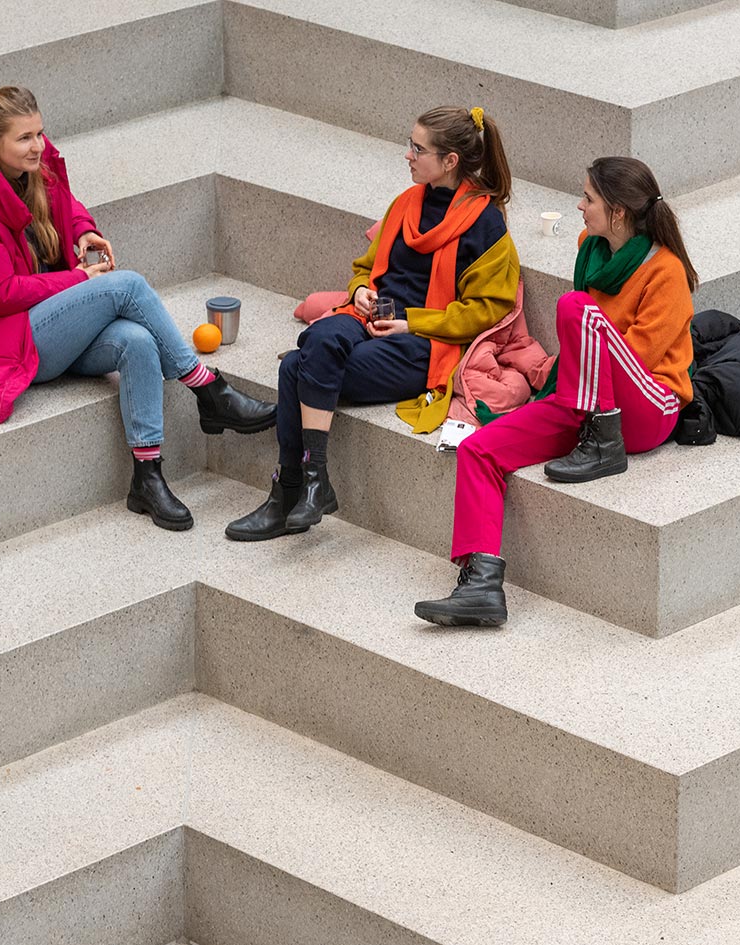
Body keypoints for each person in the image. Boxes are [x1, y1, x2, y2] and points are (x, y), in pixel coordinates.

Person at [0, 86, 275, 531]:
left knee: (136, 342)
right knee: (127, 286)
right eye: (24, 138)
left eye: (40, 133)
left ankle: (147, 478)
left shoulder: (32, 169)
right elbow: (0, 293)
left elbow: (64, 203)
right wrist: (79, 278)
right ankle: (208, 389)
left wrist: (81, 233)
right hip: (7, 343)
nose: (38, 145)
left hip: (50, 327)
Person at [415, 157, 699, 626]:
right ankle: (481, 585)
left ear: (619, 212)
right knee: (480, 450)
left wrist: (578, 368)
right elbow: (586, 350)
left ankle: (603, 443)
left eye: (589, 198)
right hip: (584, 399)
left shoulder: (665, 272)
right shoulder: (591, 247)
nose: (580, 206)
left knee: (575, 308)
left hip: (647, 407)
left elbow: (640, 358)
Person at [226, 105, 520, 541]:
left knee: (295, 367)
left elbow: (487, 309)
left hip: (422, 343)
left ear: (450, 161)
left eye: (418, 149)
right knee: (317, 345)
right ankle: (313, 482)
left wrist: (411, 323)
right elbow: (366, 267)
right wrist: (361, 289)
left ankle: (289, 491)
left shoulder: (485, 222)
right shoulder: (405, 204)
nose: (408, 155)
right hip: (369, 320)